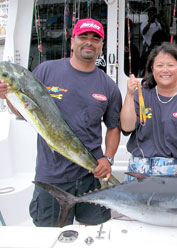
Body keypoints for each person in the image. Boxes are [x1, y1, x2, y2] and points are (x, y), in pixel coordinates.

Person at [0, 18, 122, 227]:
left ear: (101, 46)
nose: (89, 42)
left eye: (95, 39)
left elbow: (114, 127)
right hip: (52, 176)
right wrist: (8, 97)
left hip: (91, 177)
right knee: (49, 235)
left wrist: (108, 159)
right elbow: (24, 112)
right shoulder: (46, 70)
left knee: (94, 233)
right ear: (72, 40)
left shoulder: (108, 86)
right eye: (83, 37)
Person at [121, 42, 177, 180]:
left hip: (172, 176)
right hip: (138, 172)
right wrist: (129, 95)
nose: (165, 70)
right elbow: (127, 126)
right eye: (160, 65)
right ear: (152, 69)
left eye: (170, 65)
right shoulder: (141, 95)